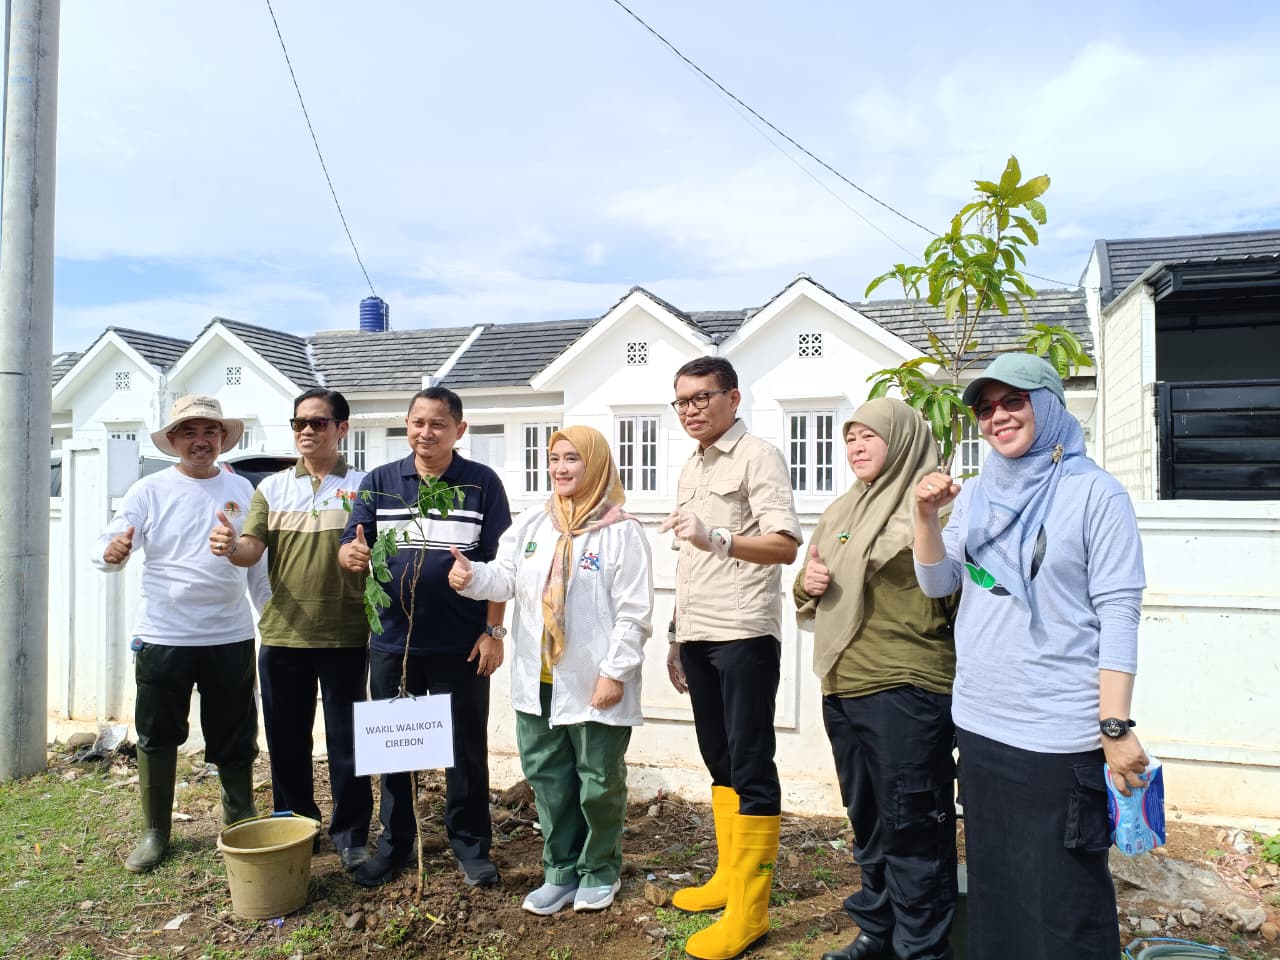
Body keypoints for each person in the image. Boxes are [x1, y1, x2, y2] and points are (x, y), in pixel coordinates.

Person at [913, 353, 1148, 960]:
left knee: (1065, 901)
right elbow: (939, 584)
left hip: (1056, 734)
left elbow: (1118, 614)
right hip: (983, 723)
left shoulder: (1096, 494)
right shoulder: (978, 492)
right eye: (986, 409)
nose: (997, 418)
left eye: (1012, 401)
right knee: (998, 892)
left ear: (1046, 405)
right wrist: (924, 516)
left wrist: (1115, 727)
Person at [447, 426, 653, 915]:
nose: (560, 468)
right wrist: (472, 577)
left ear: (597, 464)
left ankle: (599, 869)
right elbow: (508, 576)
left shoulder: (621, 532)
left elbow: (635, 612)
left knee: (598, 779)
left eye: (572, 459)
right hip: (536, 679)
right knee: (548, 777)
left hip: (592, 680)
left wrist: (614, 673)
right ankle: (559, 871)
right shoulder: (535, 525)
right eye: (555, 458)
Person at [794, 398, 958, 960]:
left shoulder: (935, 503)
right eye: (850, 438)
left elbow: (953, 592)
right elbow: (807, 584)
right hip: (843, 685)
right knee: (867, 819)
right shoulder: (843, 510)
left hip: (907, 685)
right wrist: (808, 582)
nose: (856, 447)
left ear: (904, 439)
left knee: (913, 824)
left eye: (869, 436)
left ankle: (922, 949)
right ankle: (878, 932)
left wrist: (928, 519)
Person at [338, 386, 512, 889]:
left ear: (460, 429)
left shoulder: (481, 484)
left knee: (464, 749)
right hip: (393, 641)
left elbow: (500, 567)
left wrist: (493, 631)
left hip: (461, 644)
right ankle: (395, 845)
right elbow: (355, 544)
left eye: (437, 424)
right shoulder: (381, 482)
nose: (425, 432)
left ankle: (471, 845)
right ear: (406, 425)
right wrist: (350, 556)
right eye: (417, 422)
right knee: (394, 749)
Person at [660, 356, 802, 960]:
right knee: (718, 758)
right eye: (683, 401)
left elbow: (785, 545)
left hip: (744, 633)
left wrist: (716, 536)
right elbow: (687, 561)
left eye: (702, 397)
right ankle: (727, 880)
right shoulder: (692, 465)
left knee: (750, 763)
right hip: (698, 633)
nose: (692, 409)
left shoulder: (758, 455)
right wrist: (674, 634)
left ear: (733, 398)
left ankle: (751, 913)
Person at [93, 395, 270, 873]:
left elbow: (257, 565)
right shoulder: (147, 491)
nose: (200, 441)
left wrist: (268, 615)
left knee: (235, 731)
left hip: (228, 634)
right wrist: (112, 554)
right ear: (172, 440)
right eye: (189, 432)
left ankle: (239, 816)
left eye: (210, 432)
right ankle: (156, 831)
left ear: (223, 438)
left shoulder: (244, 493)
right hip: (163, 634)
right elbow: (109, 543)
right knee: (157, 733)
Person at [209, 388, 373, 871]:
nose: (306, 431)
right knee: (286, 742)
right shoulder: (272, 488)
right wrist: (227, 546)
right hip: (282, 635)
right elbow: (250, 552)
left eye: (318, 423)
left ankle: (351, 833)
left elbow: (381, 552)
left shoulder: (366, 487)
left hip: (346, 634)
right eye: (299, 422)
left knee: (347, 742)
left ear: (342, 429)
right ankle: (298, 826)